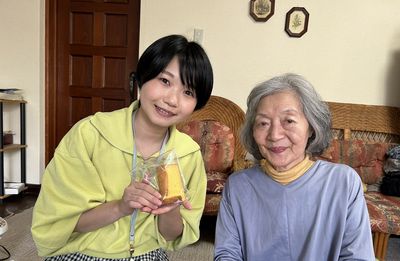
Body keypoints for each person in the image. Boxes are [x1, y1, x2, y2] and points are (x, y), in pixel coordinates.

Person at [31, 34, 213, 260]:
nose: (172, 100)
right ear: (142, 79)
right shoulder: (91, 134)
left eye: (188, 92)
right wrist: (121, 207)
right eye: (165, 81)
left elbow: (173, 235)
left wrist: (170, 209)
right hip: (85, 252)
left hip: (148, 254)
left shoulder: (188, 154)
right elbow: (61, 222)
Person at [214, 73, 375, 260]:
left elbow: (357, 256)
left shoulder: (343, 183)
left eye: (288, 121)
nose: (274, 135)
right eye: (263, 123)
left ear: (312, 127)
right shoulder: (237, 186)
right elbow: (227, 254)